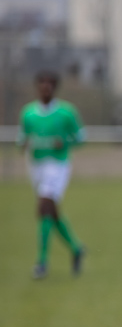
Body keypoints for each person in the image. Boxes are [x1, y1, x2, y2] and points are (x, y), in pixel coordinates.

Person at [18, 70, 86, 280]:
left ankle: (42, 262)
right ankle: (76, 248)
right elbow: (22, 139)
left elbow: (81, 137)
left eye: (49, 85)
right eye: (42, 85)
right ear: (38, 88)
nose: (45, 89)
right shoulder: (28, 113)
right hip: (36, 165)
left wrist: (64, 142)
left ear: (54, 88)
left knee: (44, 206)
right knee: (51, 213)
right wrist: (24, 144)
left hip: (57, 165)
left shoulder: (66, 113)